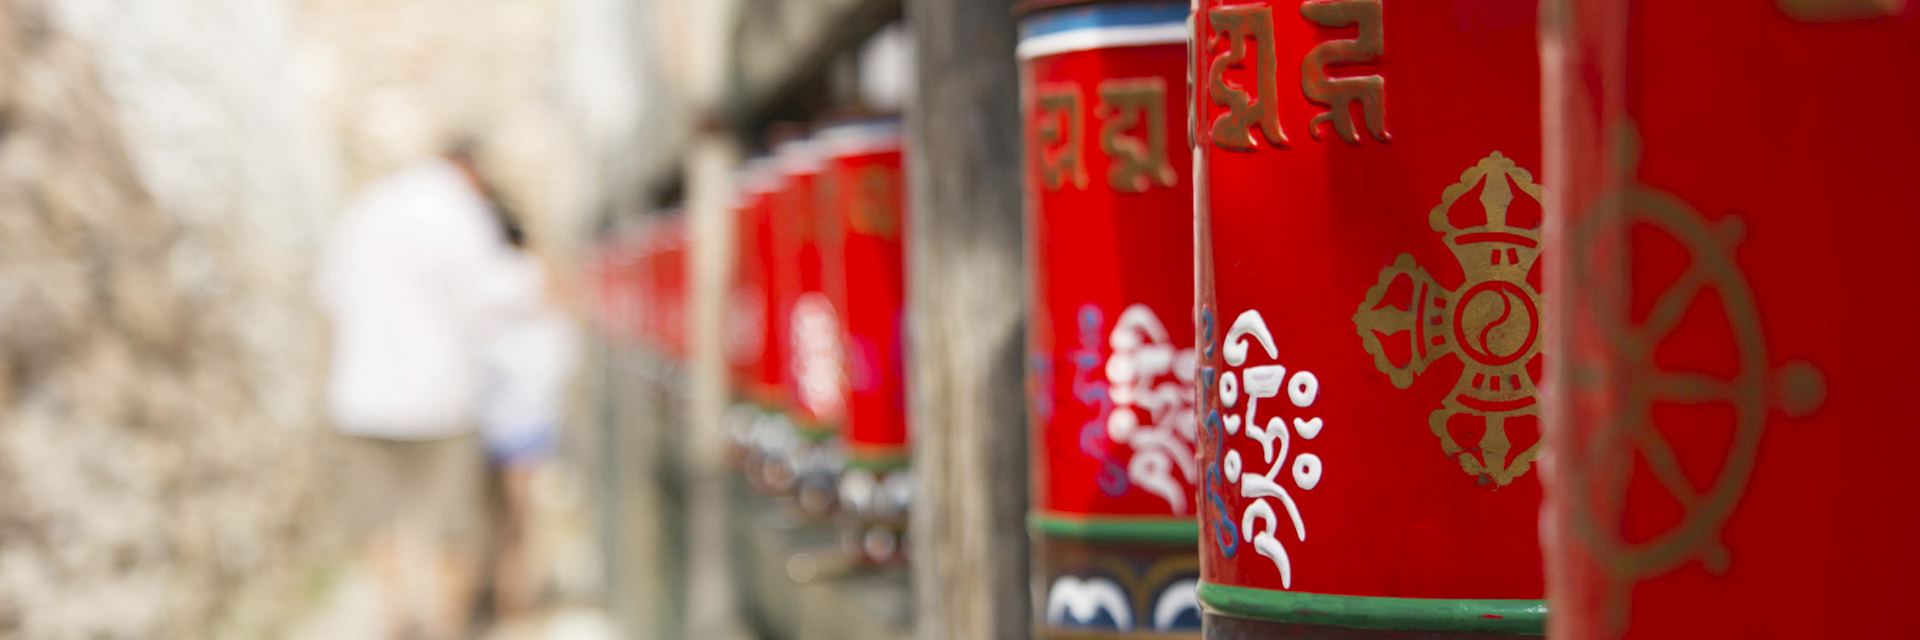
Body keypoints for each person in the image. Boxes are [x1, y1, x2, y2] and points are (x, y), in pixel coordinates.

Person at [315, 141, 539, 640]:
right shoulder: (462, 213)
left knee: (379, 521)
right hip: (443, 394)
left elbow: (330, 297)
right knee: (455, 528)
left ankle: (395, 618)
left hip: (361, 392)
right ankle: (445, 625)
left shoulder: (365, 208)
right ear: (472, 171)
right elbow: (493, 303)